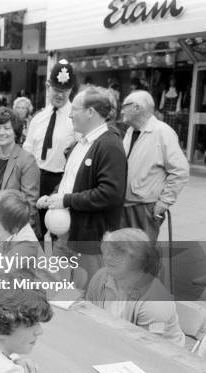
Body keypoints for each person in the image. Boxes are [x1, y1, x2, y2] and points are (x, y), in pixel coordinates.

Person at [38, 86, 127, 278]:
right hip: (66, 236)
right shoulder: (82, 143)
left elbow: (110, 193)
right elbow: (70, 181)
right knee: (59, 291)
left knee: (86, 297)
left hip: (88, 241)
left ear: (90, 112)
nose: (70, 115)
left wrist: (66, 200)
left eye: (75, 109)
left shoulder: (109, 145)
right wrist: (55, 196)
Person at [86, 228, 185, 347]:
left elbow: (147, 349)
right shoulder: (101, 276)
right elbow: (88, 315)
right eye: (108, 252)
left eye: (118, 255)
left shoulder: (155, 301)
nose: (108, 259)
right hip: (111, 342)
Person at [119, 90, 189, 241]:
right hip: (124, 205)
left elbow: (181, 171)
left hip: (145, 208)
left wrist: (164, 202)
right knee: (125, 254)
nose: (121, 110)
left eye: (125, 106)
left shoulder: (163, 132)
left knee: (142, 255)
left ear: (136, 108)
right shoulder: (131, 131)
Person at [24, 60, 76, 238]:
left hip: (61, 182)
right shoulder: (38, 118)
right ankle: (37, 263)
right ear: (48, 87)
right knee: (33, 228)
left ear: (71, 90)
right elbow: (28, 152)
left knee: (57, 231)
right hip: (35, 179)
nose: (60, 95)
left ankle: (51, 263)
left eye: (65, 91)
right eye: (56, 90)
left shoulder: (75, 119)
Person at [0, 108, 40, 234]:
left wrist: (20, 237)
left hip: (15, 230)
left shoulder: (27, 160)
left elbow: (29, 206)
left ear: (15, 132)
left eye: (7, 128)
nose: (1, 132)